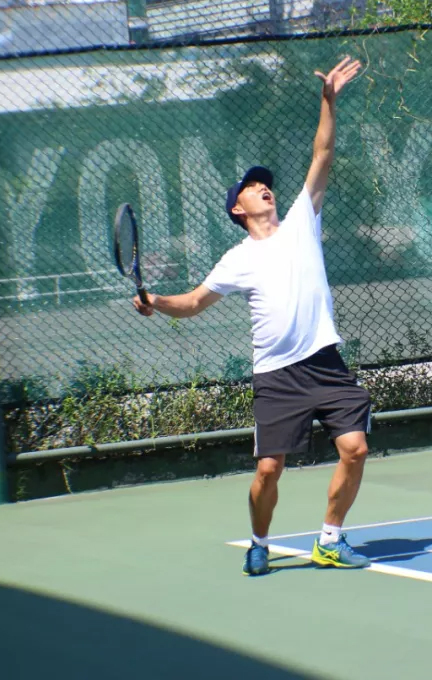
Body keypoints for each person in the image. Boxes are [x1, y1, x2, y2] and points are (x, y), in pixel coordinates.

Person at [132, 56, 371, 576]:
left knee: (354, 449)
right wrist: (155, 301)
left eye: (266, 184)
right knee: (268, 469)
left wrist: (329, 101)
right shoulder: (236, 259)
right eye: (252, 186)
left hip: (324, 361)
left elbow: (323, 152)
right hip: (276, 375)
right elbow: (193, 303)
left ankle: (330, 540)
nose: (265, 187)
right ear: (238, 209)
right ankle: (259, 542)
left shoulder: (302, 221)